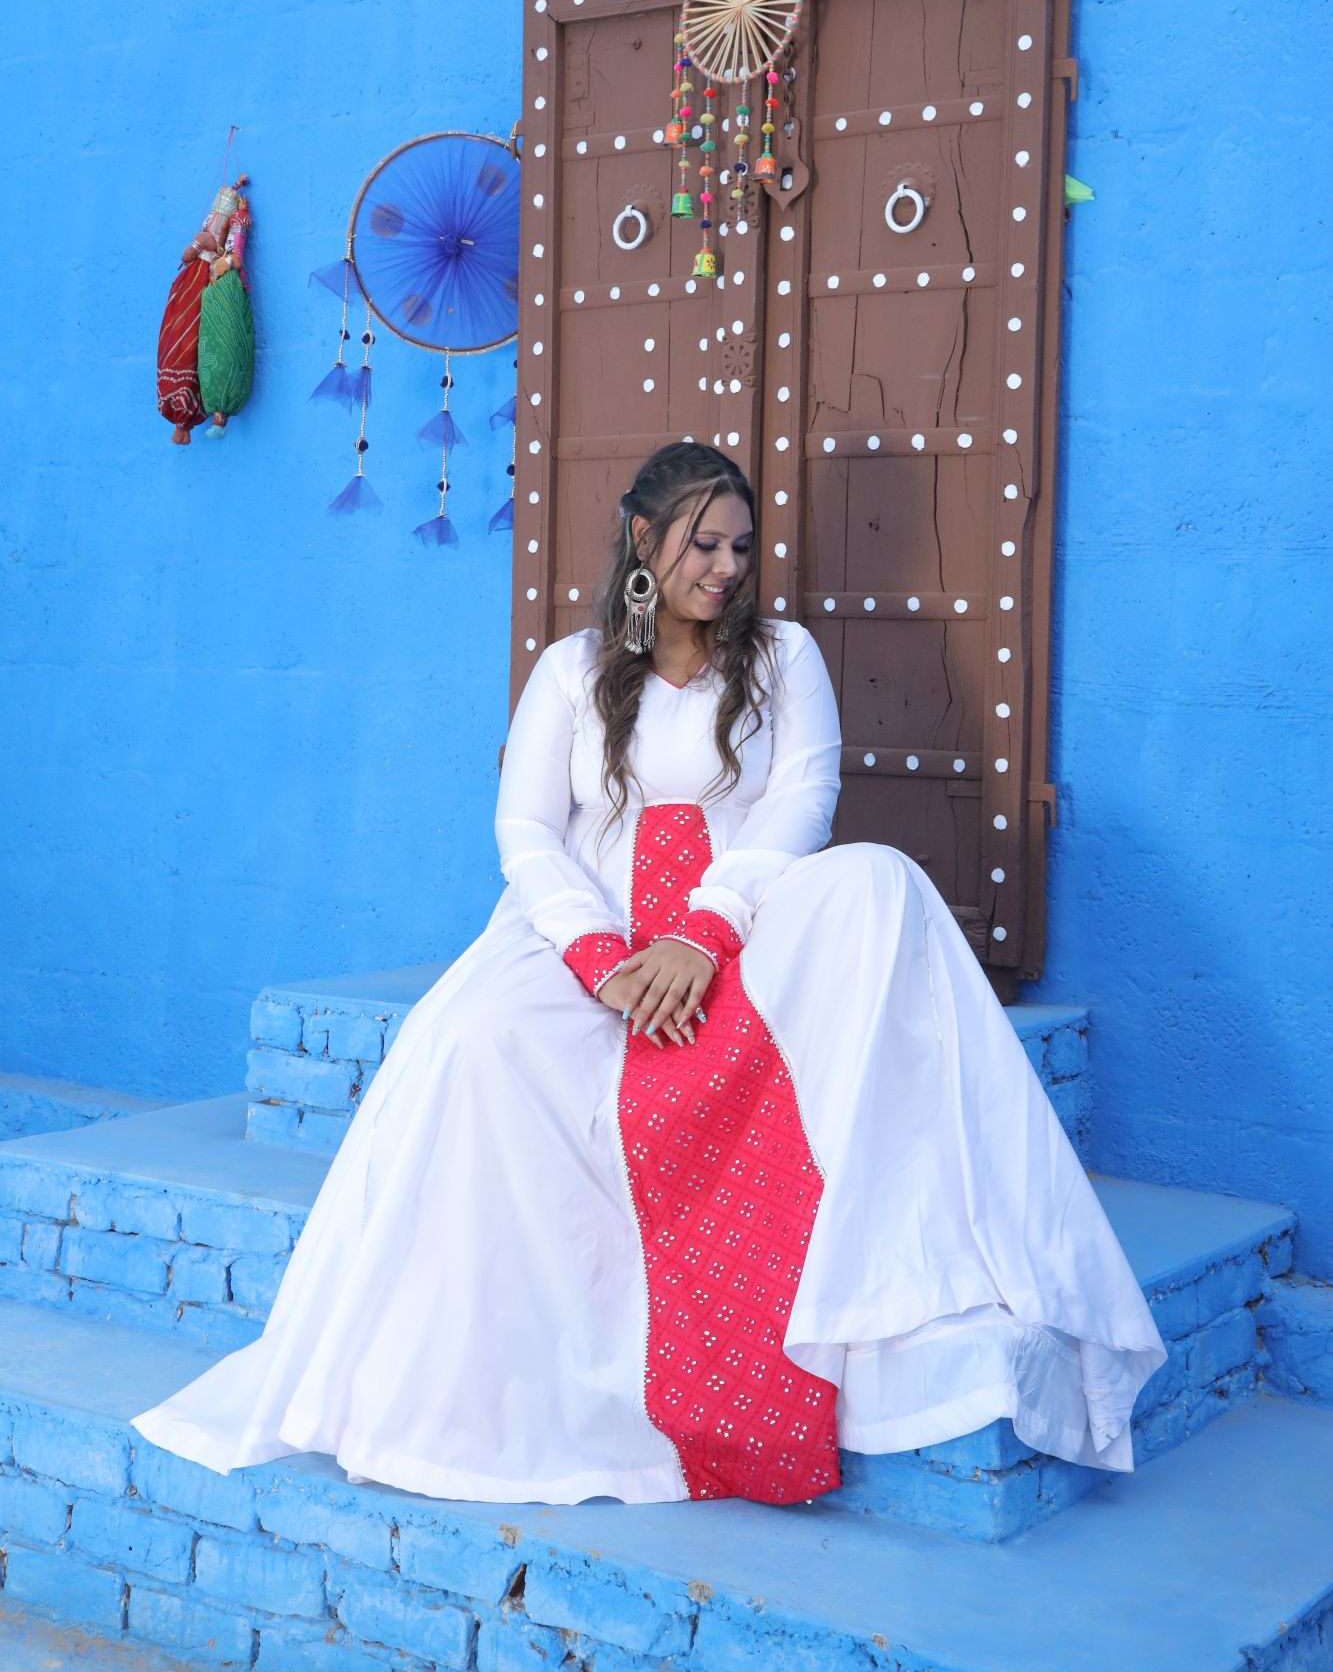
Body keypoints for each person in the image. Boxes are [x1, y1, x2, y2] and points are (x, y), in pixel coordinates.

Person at [130, 438, 1167, 1505]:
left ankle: (919, 1251)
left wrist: (703, 931)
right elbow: (527, 829)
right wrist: (601, 954)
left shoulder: (784, 657)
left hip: (744, 921)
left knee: (880, 880)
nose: (726, 567)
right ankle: (499, 1372)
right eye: (703, 544)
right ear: (642, 538)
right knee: (472, 1042)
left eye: (741, 547)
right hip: (597, 927)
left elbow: (802, 803)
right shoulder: (572, 670)